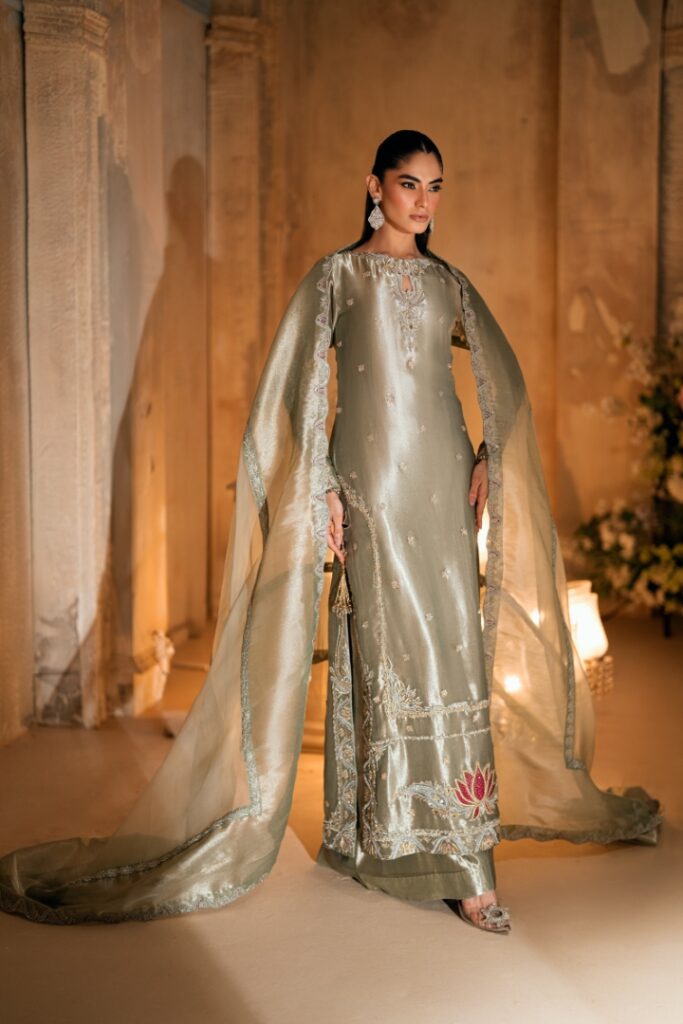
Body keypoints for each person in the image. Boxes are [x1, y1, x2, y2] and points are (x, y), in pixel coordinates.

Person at [0, 131, 661, 929]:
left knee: (451, 653)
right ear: (374, 186)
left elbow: (503, 378)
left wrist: (490, 454)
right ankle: (378, 839)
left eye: (435, 187)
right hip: (371, 487)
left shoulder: (447, 282)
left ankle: (461, 851)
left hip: (443, 486)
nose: (423, 201)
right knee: (385, 652)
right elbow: (291, 392)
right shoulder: (335, 277)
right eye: (409, 183)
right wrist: (319, 486)